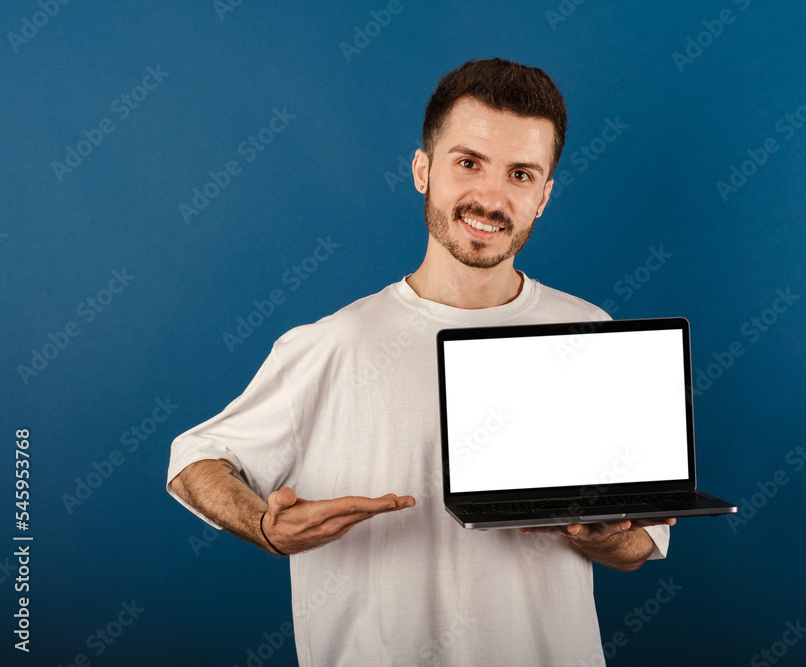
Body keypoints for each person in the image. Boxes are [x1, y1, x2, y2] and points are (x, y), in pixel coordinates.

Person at [167, 57, 673, 666]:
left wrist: (606, 534)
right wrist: (266, 528)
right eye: (468, 163)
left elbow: (641, 543)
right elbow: (195, 459)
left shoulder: (589, 335)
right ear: (422, 170)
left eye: (520, 174)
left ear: (543, 196)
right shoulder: (335, 343)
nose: (490, 196)